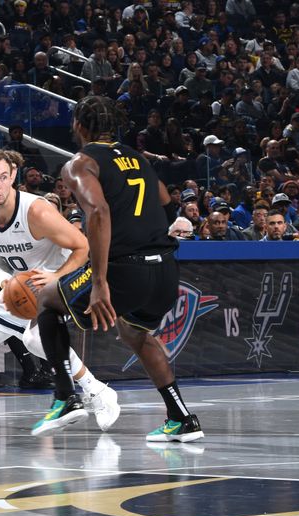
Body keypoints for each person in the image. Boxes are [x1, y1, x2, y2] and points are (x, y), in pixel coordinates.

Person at [33, 96, 204, 441]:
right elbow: (164, 199)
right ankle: (181, 418)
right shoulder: (137, 157)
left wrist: (99, 281)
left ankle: (65, 396)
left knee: (49, 299)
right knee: (136, 334)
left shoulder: (80, 164)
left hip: (126, 268)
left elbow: (97, 213)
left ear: (80, 126)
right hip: (165, 269)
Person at [0, 149, 120, 431]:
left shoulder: (37, 211)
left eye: (4, 177)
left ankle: (97, 392)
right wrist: (6, 282)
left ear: (14, 176)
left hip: (60, 279)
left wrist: (56, 277)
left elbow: (83, 247)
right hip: (22, 285)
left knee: (33, 341)